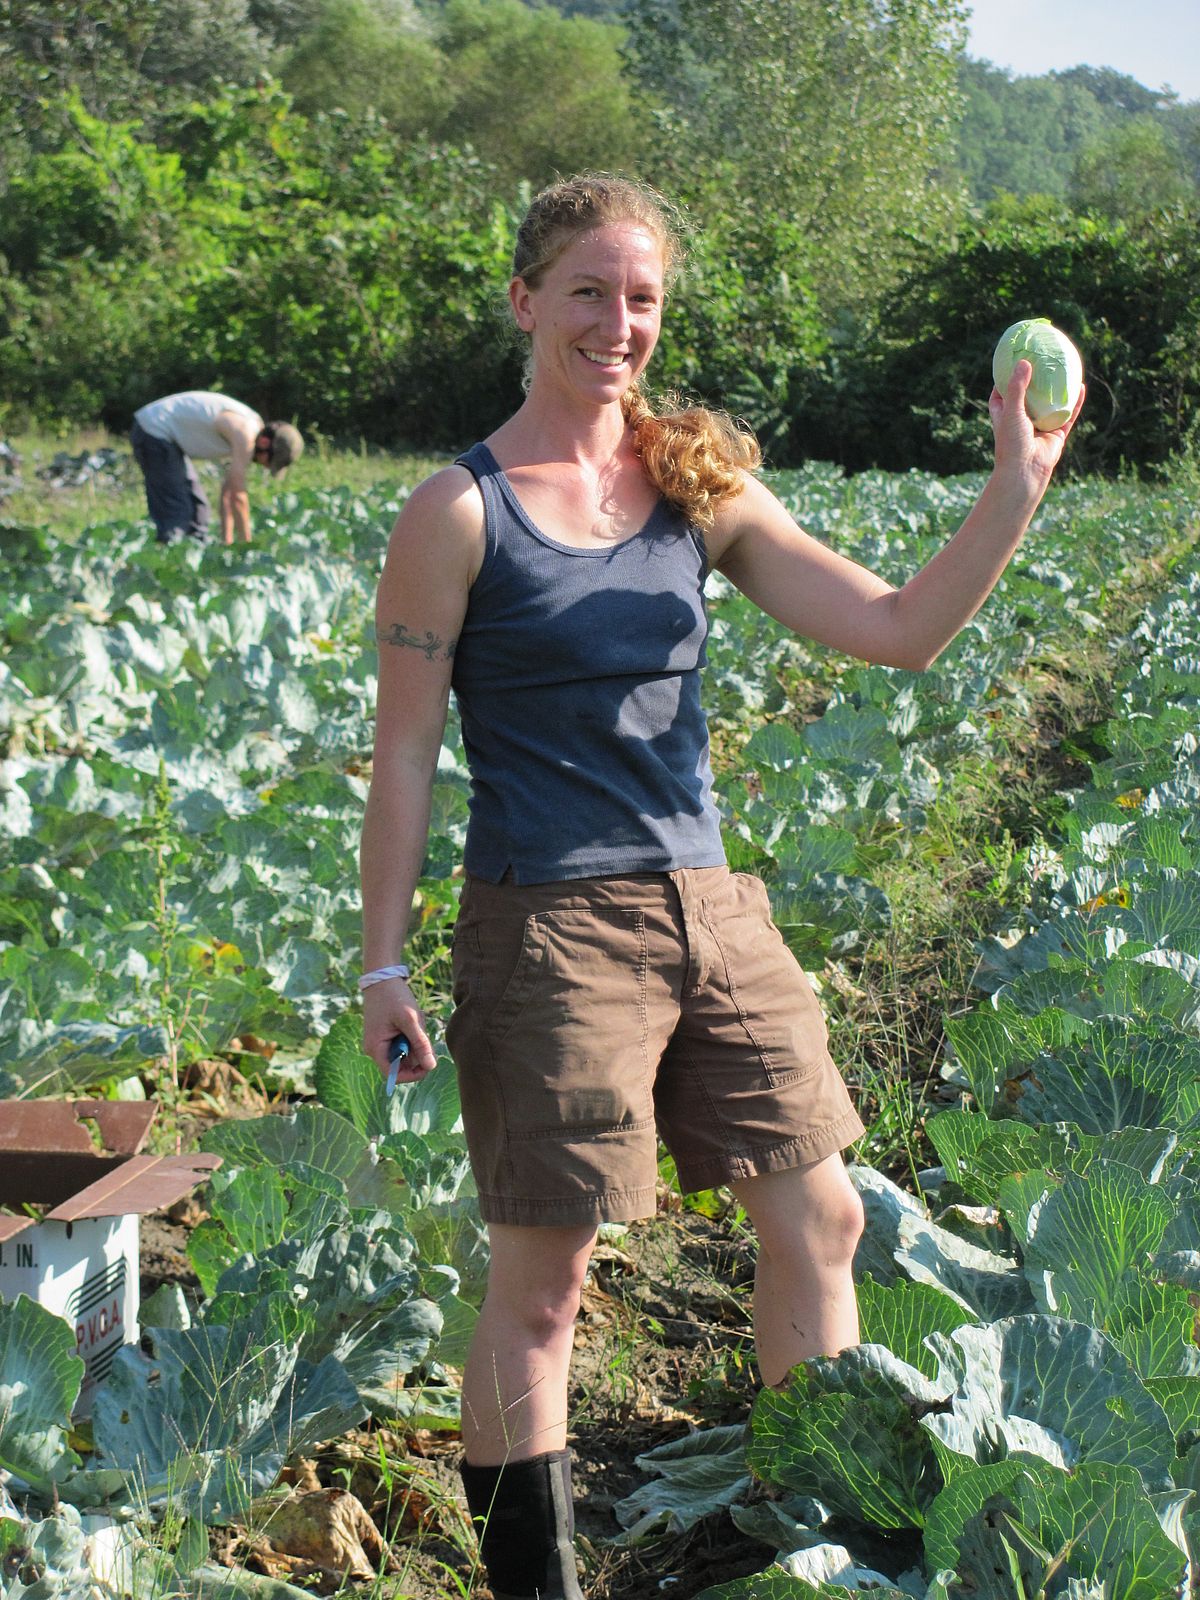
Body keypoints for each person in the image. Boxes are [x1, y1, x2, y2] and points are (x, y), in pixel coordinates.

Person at [358, 174, 1083, 1600]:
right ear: (524, 299)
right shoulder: (460, 510)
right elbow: (403, 756)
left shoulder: (698, 486)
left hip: (710, 905)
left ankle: (817, 1543)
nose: (616, 322)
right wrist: (383, 962)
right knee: (547, 1285)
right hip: (549, 926)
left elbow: (896, 632)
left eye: (641, 298)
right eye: (586, 289)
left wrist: (1018, 488)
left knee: (824, 1216)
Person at [130, 390, 303, 546]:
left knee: (199, 512)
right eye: (270, 461)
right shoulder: (245, 435)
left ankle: (191, 566)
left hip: (169, 440)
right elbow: (238, 496)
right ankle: (166, 565)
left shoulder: (249, 429)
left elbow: (227, 493)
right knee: (177, 513)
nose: (265, 466)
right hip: (153, 431)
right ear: (265, 443)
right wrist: (246, 545)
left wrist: (226, 541)